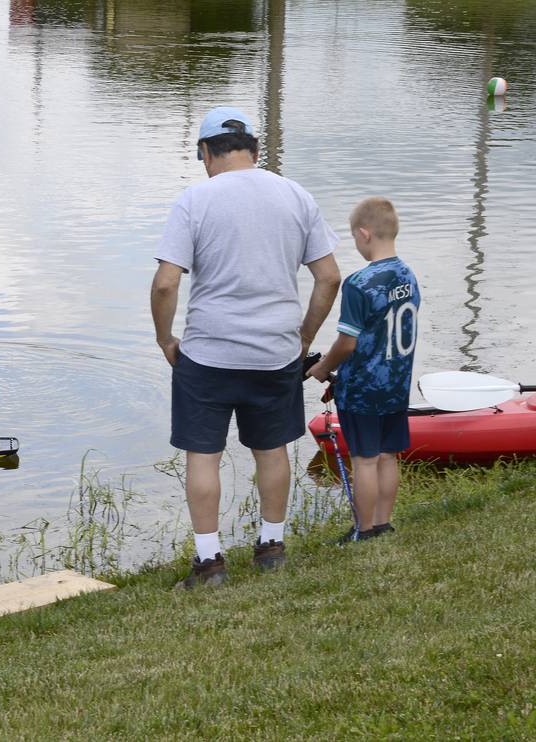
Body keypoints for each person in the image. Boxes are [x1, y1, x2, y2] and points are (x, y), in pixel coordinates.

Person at [151, 106, 341, 588]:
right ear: (256, 151)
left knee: (203, 456)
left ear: (205, 153)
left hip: (209, 352)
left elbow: (166, 285)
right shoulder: (296, 196)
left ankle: (210, 561)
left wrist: (165, 339)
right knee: (272, 450)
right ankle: (271, 548)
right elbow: (329, 276)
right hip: (275, 352)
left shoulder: (195, 200)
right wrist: (302, 339)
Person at [308, 197, 421, 542]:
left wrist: (321, 367)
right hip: (397, 384)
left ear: (364, 234)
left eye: (355, 239)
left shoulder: (359, 283)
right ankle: (384, 523)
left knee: (365, 461)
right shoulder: (408, 275)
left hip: (363, 388)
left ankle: (364, 529)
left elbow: (347, 343)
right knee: (389, 456)